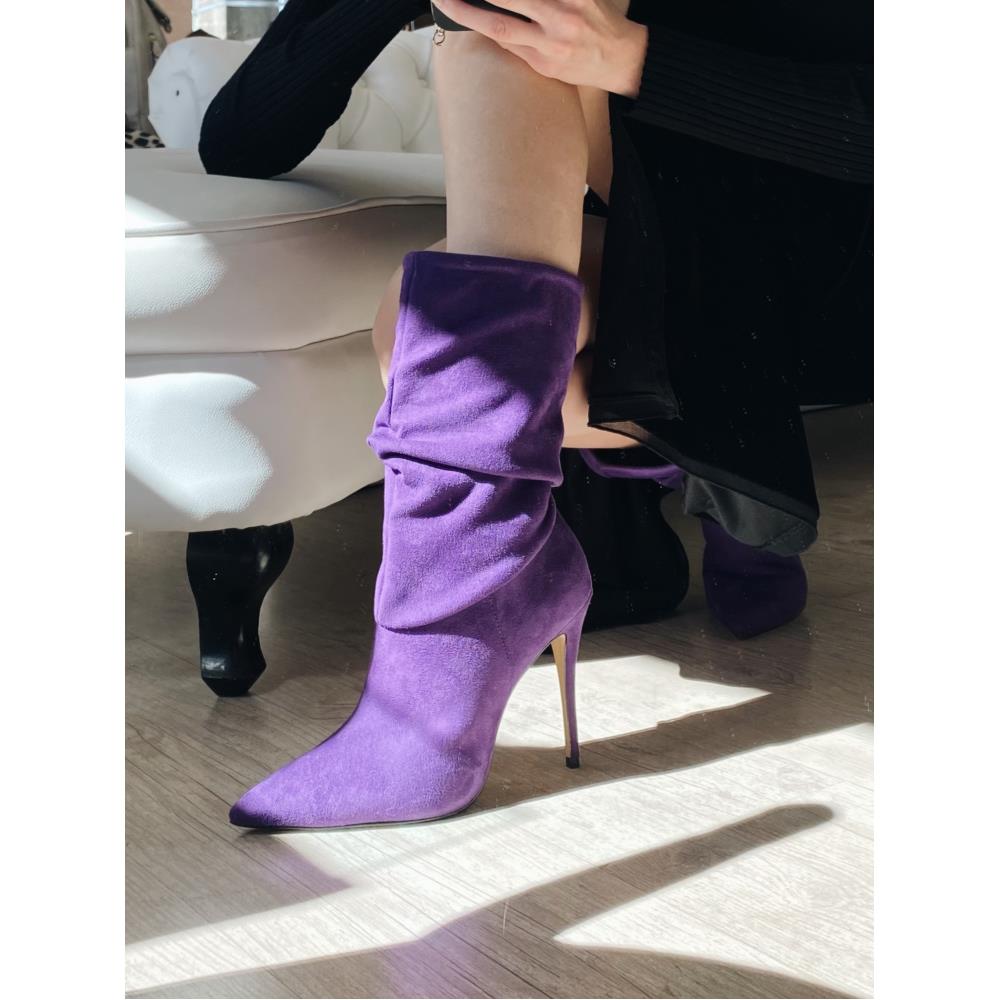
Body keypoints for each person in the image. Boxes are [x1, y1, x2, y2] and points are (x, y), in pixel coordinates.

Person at [199, 0, 873, 830]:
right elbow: (238, 141)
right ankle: (457, 637)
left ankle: (706, 470)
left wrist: (631, 59)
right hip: (672, 259)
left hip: (838, 258)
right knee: (416, 321)